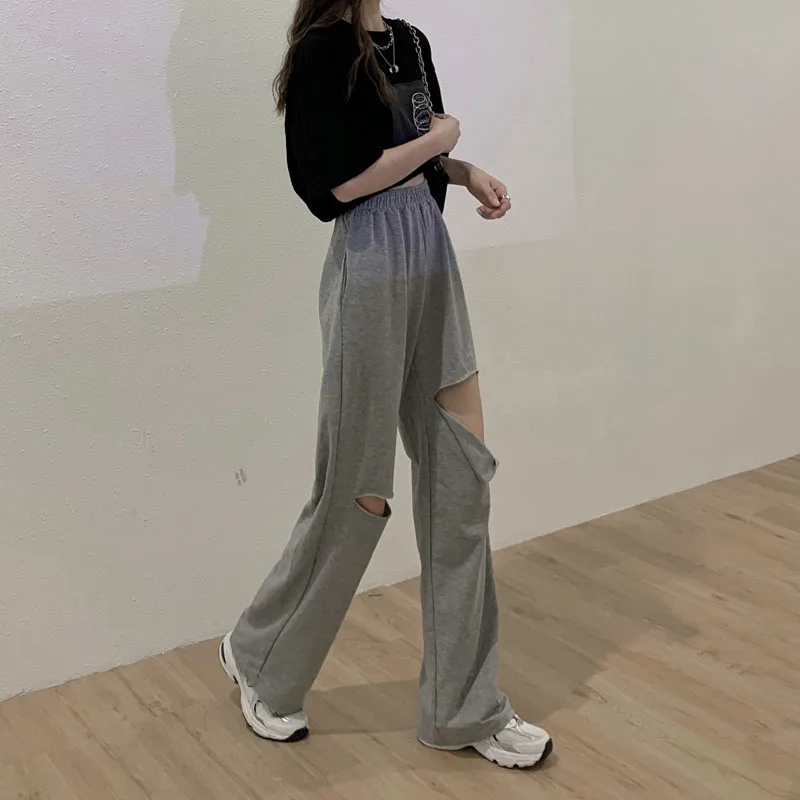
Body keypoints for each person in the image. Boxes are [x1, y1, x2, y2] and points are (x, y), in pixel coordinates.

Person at [218, 0, 554, 770]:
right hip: (369, 267)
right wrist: (441, 141)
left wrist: (463, 170)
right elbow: (332, 187)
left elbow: (418, 155)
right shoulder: (323, 51)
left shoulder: (409, 41)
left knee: (461, 480)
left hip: (431, 259)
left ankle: (463, 707)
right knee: (357, 491)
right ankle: (262, 655)